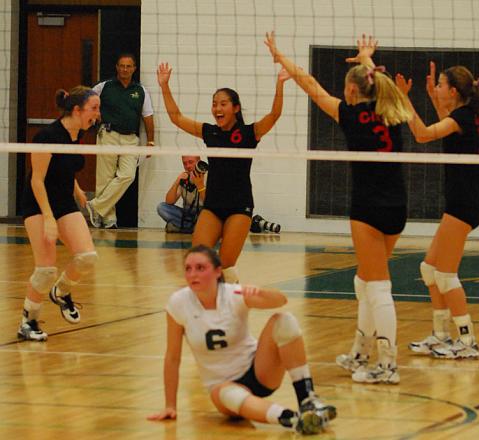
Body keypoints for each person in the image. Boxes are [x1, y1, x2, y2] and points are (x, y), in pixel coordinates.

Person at [265, 33, 412, 384]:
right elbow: (372, 83)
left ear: (350, 91)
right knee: (364, 281)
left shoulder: (348, 114)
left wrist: (280, 56)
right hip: (397, 206)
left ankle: (387, 364)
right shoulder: (394, 111)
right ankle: (361, 353)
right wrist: (365, 58)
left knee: (376, 286)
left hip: (367, 208)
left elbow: (308, 82)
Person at [147, 245, 336, 435]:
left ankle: (308, 400)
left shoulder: (233, 294)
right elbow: (172, 357)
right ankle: (295, 419)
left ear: (218, 271)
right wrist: (170, 405)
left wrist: (259, 292)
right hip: (222, 386)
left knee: (284, 320)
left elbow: (280, 301)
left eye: (200, 268)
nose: (192, 274)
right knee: (230, 394)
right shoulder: (178, 303)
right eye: (188, 268)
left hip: (259, 371)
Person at [156, 62, 290, 283]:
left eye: (223, 104)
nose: (217, 108)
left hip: (239, 206)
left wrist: (279, 85)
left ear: (235, 108)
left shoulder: (249, 133)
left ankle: (232, 303)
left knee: (226, 268)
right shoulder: (210, 132)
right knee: (197, 260)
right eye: (214, 104)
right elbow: (176, 118)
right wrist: (164, 86)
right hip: (213, 205)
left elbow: (274, 115)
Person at [395, 62, 479, 359]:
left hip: (464, 204)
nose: (436, 89)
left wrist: (403, 98)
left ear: (452, 91)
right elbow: (445, 128)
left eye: (440, 86)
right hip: (461, 202)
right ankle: (440, 335)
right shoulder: (464, 117)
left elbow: (423, 134)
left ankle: (467, 340)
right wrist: (432, 97)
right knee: (430, 269)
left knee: (446, 275)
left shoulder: (461, 117)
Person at [18, 86, 100, 341]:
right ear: (77, 110)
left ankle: (62, 292)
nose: (98, 114)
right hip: (38, 203)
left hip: (64, 201)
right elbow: (38, 180)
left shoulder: (77, 133)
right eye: (93, 109)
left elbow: (64, 166)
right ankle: (28, 321)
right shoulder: (47, 135)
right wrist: (49, 218)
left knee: (86, 257)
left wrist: (77, 191)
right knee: (45, 270)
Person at [86, 53, 155, 229]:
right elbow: (86, 101)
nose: (125, 69)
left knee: (127, 175)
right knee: (105, 178)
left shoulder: (140, 91)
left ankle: (95, 206)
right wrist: (95, 113)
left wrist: (151, 142)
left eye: (128, 66)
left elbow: (148, 117)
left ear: (134, 69)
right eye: (122, 66)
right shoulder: (104, 87)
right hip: (108, 134)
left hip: (131, 138)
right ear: (117, 67)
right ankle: (109, 219)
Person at [157, 155, 206, 233]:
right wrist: (177, 181)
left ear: (199, 162)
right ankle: (193, 228)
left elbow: (209, 203)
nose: (188, 166)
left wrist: (200, 185)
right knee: (161, 207)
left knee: (212, 217)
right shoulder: (185, 177)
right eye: (185, 163)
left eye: (190, 162)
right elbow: (169, 201)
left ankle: (182, 227)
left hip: (202, 214)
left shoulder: (207, 176)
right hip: (187, 214)